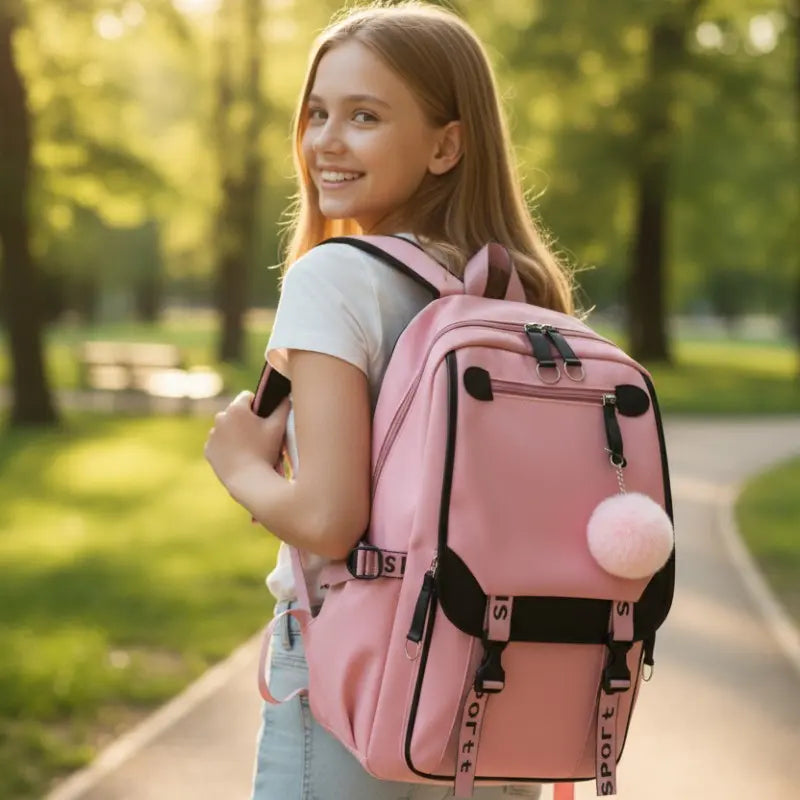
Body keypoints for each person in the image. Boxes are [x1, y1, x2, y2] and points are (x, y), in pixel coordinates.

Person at [204, 2, 575, 798]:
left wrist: (238, 466)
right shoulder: (527, 293)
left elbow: (331, 519)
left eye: (364, 116)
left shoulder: (335, 277)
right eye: (317, 114)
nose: (326, 142)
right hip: (505, 673)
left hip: (363, 671)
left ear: (448, 144)